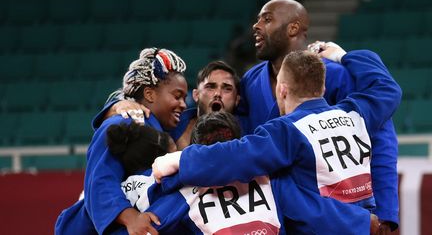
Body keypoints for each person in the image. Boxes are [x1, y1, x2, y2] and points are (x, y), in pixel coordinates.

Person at [152, 45, 401, 233]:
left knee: (281, 186)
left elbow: (237, 156)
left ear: (281, 90)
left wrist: (181, 160)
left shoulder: (286, 130)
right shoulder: (354, 111)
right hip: (367, 219)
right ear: (323, 88)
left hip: (331, 227)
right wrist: (344, 55)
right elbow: (387, 89)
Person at [235, 0, 399, 232]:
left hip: (335, 215)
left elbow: (380, 141)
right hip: (275, 217)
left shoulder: (334, 75)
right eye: (258, 18)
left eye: (267, 19)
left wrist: (385, 213)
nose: (256, 25)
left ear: (293, 28)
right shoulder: (251, 80)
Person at [112, 111, 380, 234]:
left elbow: (151, 223)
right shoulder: (271, 181)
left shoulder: (180, 189)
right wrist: (361, 222)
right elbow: (315, 211)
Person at [55, 47, 188, 235]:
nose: (183, 104)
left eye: (185, 97)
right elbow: (100, 180)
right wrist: (130, 218)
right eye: (177, 96)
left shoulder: (163, 129)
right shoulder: (121, 121)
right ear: (150, 94)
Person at [96, 60, 241, 150]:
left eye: (227, 88)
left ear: (237, 99)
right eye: (211, 87)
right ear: (196, 95)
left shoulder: (248, 130)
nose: (218, 94)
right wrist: (117, 104)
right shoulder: (171, 122)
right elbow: (129, 117)